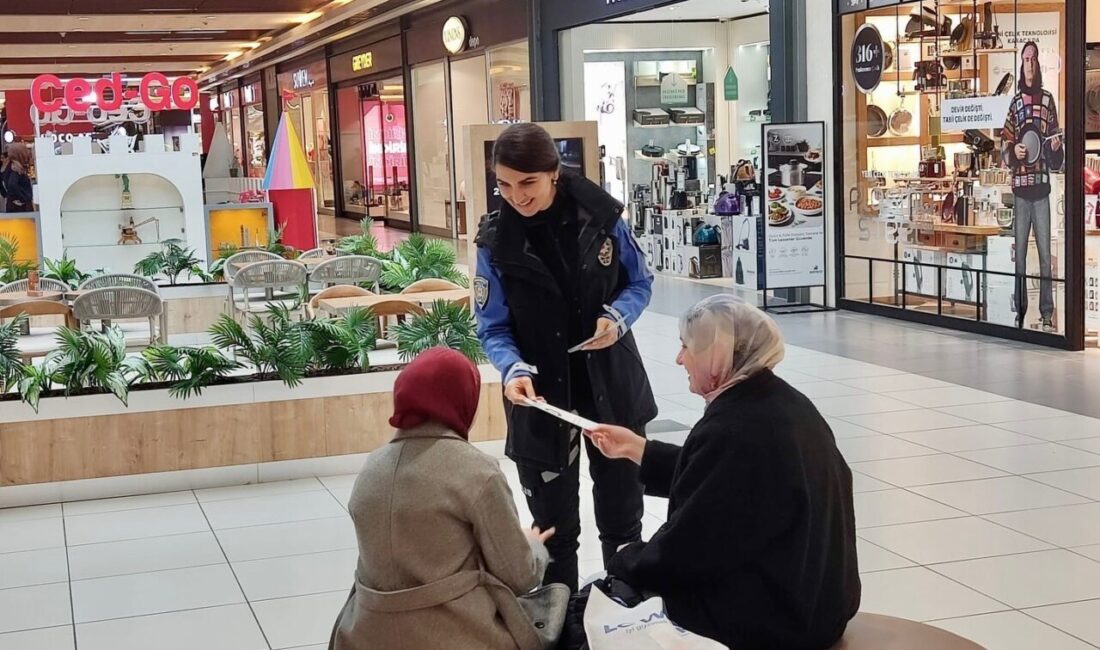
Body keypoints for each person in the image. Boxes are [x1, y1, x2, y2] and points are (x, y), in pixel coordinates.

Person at [586, 295, 861, 650]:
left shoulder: (734, 429)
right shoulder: (781, 404)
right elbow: (722, 479)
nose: (679, 358)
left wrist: (625, 559)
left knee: (619, 604)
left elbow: (689, 551)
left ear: (717, 355)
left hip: (781, 620)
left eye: (686, 347)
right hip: (820, 602)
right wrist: (634, 448)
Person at [474, 122, 658, 593]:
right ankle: (559, 630)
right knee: (555, 536)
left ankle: (622, 623)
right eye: (504, 185)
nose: (516, 196)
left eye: (528, 183)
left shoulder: (602, 218)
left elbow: (639, 282)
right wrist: (512, 370)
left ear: (554, 173)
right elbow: (492, 326)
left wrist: (616, 318)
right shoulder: (495, 243)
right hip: (540, 399)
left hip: (611, 388)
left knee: (623, 524)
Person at [329, 348, 563, 650]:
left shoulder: (370, 469)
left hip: (365, 634)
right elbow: (519, 575)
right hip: (457, 633)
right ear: (464, 400)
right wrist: (533, 545)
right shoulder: (477, 471)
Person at [1001, 40, 1063, 333]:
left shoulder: (1048, 101)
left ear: (1038, 63)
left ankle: (1047, 313)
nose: (1029, 64)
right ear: (1021, 63)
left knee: (1044, 257)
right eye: (1025, 59)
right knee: (1021, 257)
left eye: (1033, 59)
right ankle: (1020, 311)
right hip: (1020, 190)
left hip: (1041, 189)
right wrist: (1014, 151)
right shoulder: (1014, 104)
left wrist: (1055, 146)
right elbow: (1005, 143)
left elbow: (1055, 149)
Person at [1, 143, 34, 213]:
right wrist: (23, 198)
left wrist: (9, 196)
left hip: (13, 206)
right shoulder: (16, 168)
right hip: (21, 208)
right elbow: (12, 184)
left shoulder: (8, 166)